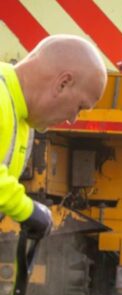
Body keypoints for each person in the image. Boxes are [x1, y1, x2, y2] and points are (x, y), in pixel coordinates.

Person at [1, 34, 107, 238]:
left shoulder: (21, 116)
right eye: (79, 107)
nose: (73, 119)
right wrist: (27, 210)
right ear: (63, 83)